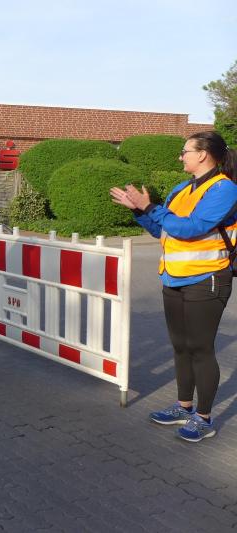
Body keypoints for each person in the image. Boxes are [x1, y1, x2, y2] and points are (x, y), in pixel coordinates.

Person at [110, 131, 237, 443]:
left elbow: (192, 228)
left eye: (185, 151)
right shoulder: (181, 189)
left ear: (203, 154)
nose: (181, 156)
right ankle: (183, 407)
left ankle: (204, 419)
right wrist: (139, 210)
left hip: (207, 278)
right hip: (173, 277)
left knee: (200, 349)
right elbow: (163, 229)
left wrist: (151, 207)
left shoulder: (225, 189)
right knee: (181, 347)